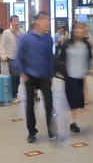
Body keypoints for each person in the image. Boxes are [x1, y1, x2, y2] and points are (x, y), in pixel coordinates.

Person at [16, 11, 60, 143]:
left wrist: (52, 74)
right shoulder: (26, 38)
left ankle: (52, 131)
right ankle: (31, 132)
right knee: (30, 105)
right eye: (45, 20)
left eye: (48, 20)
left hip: (45, 76)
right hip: (29, 76)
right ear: (37, 22)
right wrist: (22, 72)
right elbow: (19, 56)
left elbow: (50, 58)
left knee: (49, 104)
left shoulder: (48, 38)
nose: (48, 22)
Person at [59, 23, 92, 133]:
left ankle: (72, 121)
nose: (79, 31)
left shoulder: (86, 44)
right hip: (69, 76)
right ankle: (72, 122)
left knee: (78, 102)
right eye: (77, 28)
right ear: (73, 31)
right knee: (74, 100)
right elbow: (61, 58)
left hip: (80, 76)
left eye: (82, 28)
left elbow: (88, 60)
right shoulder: (67, 43)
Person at [0, 15, 26, 104]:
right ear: (10, 22)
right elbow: (2, 45)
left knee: (18, 78)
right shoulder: (7, 32)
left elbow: (26, 43)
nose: (17, 22)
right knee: (15, 77)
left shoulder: (22, 32)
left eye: (17, 21)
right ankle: (13, 96)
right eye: (14, 21)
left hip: (21, 59)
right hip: (11, 58)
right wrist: (3, 55)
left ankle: (14, 94)